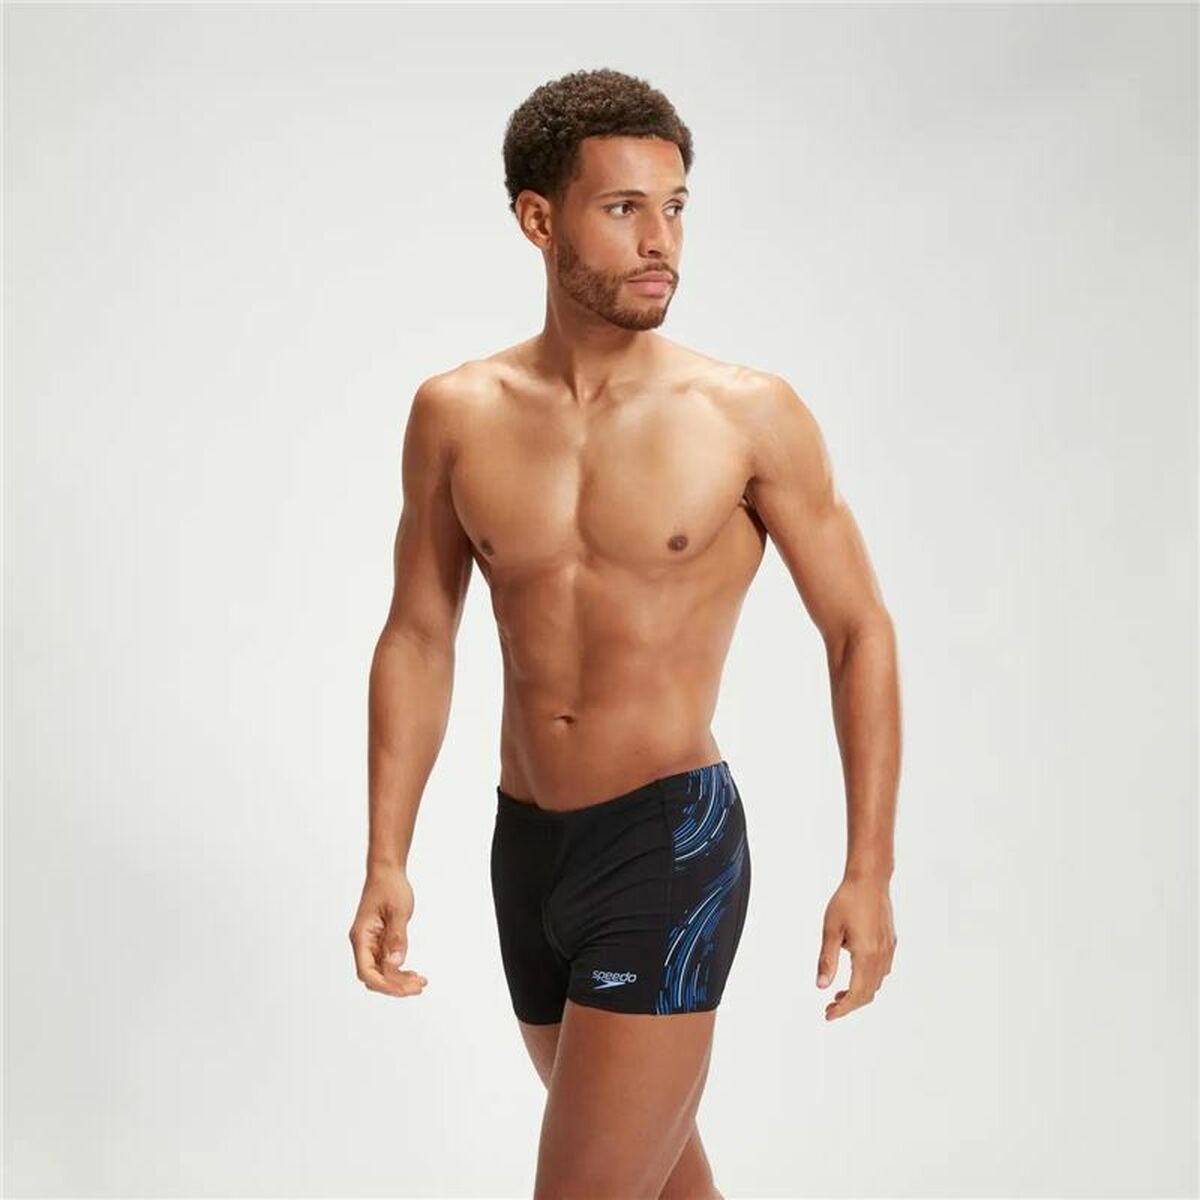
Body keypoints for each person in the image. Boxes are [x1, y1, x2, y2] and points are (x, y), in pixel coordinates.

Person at [349, 67, 901, 1199]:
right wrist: (385, 855)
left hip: (667, 846)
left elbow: (858, 631)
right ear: (539, 219)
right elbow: (419, 634)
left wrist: (869, 871)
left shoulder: (746, 415)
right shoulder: (456, 414)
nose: (662, 242)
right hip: (526, 851)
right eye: (623, 208)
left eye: (676, 207)